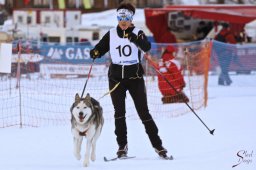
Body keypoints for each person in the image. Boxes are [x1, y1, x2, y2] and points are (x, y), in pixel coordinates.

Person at [89, 3, 169, 159]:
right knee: (119, 114)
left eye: (126, 17)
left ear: (131, 18)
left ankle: (158, 146)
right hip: (116, 79)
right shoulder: (111, 34)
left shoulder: (138, 32)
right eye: (120, 17)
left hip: (134, 79)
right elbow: (100, 48)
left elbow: (146, 47)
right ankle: (122, 147)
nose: (123, 21)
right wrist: (95, 52)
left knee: (143, 113)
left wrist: (135, 39)